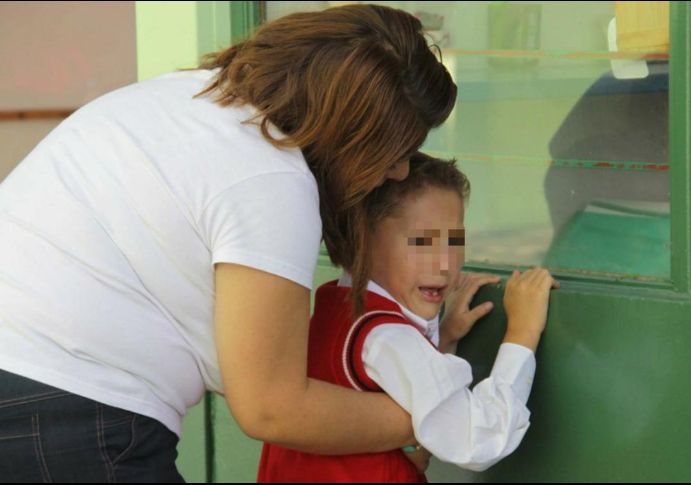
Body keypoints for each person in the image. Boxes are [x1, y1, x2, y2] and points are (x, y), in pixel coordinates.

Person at [0, 5, 456, 482]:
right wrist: (434, 418)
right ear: (351, 130)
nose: (400, 170)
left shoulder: (184, 96)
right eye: (395, 149)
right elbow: (272, 407)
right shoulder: (270, 177)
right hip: (70, 412)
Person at [258, 153, 559, 482]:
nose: (445, 263)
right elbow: (477, 438)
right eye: (424, 242)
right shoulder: (386, 337)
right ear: (363, 241)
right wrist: (521, 333)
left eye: (455, 241)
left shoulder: (340, 309)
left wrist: (443, 339)